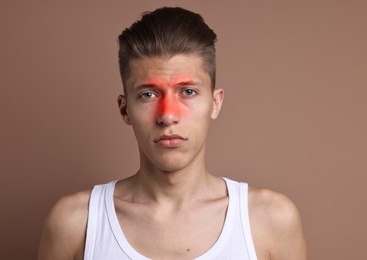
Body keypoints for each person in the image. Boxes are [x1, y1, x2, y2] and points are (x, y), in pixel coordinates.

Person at [38, 7, 306, 260]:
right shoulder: (75, 223)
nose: (167, 115)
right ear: (124, 109)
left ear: (215, 103)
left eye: (188, 92)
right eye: (148, 94)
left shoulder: (270, 220)